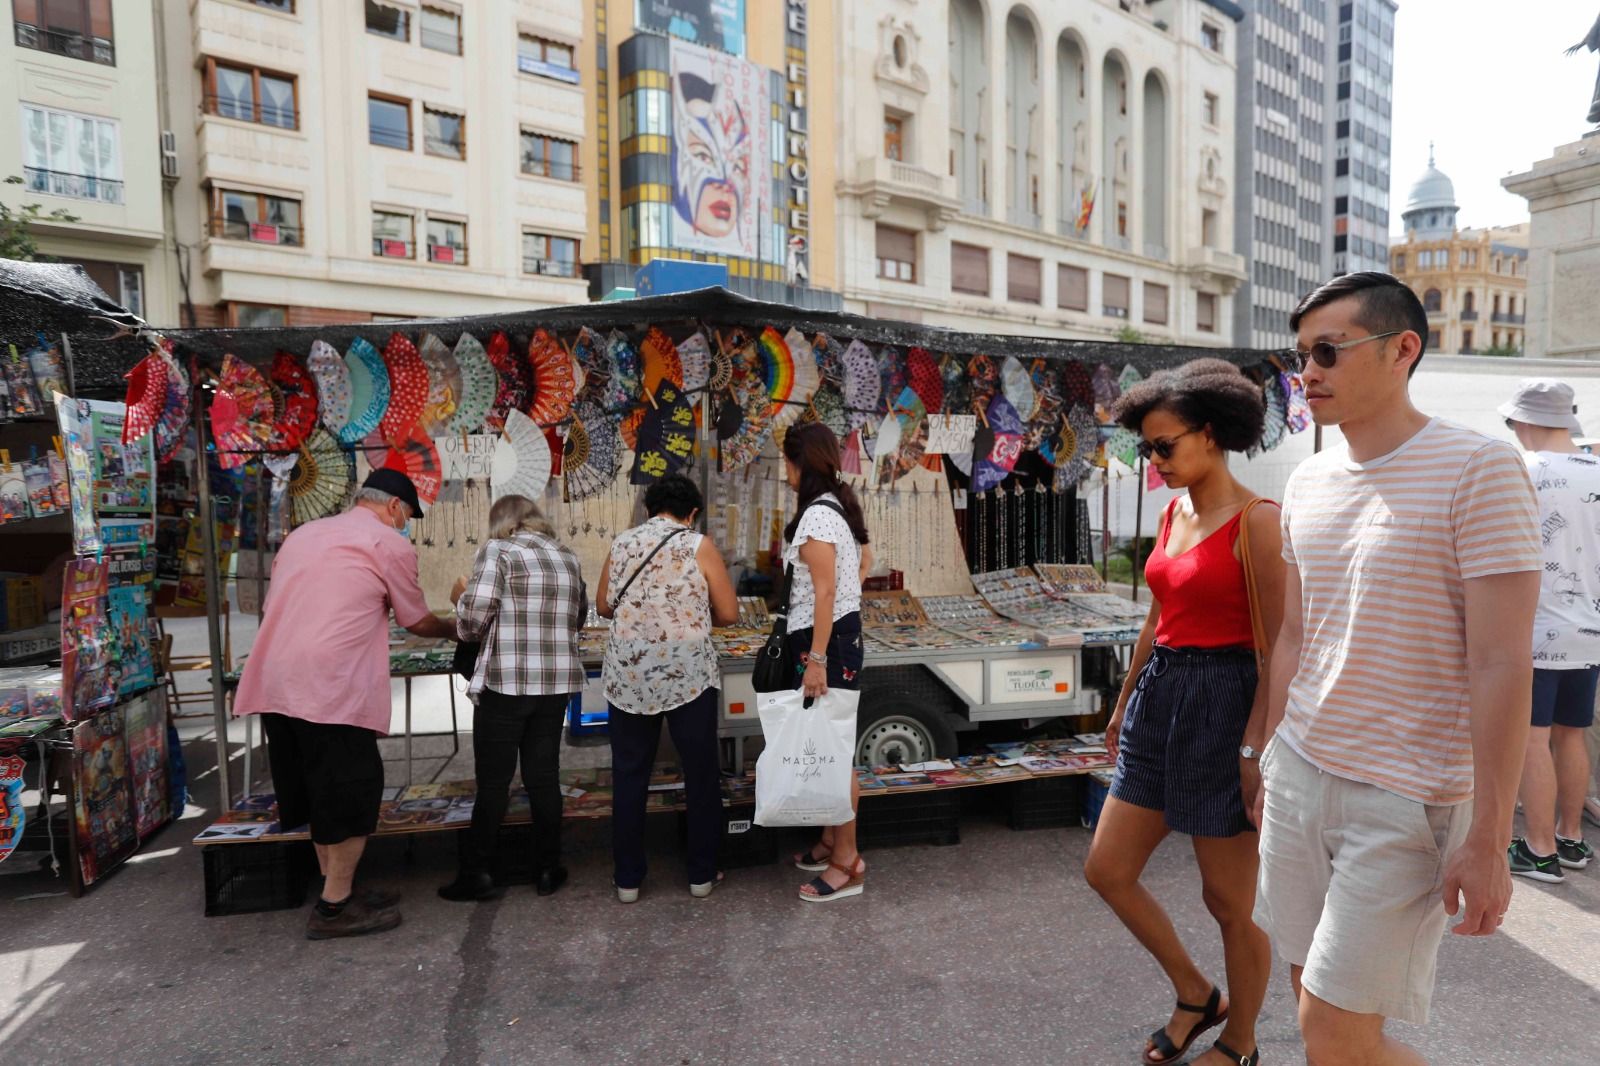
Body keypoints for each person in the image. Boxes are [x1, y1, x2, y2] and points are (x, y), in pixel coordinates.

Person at [1256, 272, 1541, 1065]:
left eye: (1328, 351)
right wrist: (1267, 754)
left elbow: (1501, 661)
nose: (1307, 372)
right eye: (1300, 355)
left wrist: (1490, 835)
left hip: (1405, 796)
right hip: (1301, 772)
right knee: (1309, 1001)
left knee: (1336, 1034)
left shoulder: (1480, 467)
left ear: (1401, 349)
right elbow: (1293, 635)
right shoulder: (1307, 478)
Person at [1084, 360, 1280, 1066]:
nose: (1153, 460)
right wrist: (1126, 696)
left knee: (1229, 902)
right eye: (1146, 447)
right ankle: (1196, 993)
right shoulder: (1176, 510)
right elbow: (1160, 614)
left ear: (1211, 435)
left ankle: (1242, 1040)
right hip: (1162, 696)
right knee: (1107, 869)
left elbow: (1276, 650)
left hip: (1225, 705)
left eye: (1163, 445)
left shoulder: (1258, 522)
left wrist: (1255, 749)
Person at [235, 468, 456, 939]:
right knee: (354, 792)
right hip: (328, 684)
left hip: (276, 678)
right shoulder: (388, 543)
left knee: (317, 792)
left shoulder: (302, 535)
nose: (405, 525)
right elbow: (415, 619)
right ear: (395, 507)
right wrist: (457, 628)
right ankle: (334, 909)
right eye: (407, 516)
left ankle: (337, 889)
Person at [597, 474, 739, 903]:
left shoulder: (622, 543)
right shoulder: (699, 545)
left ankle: (628, 880)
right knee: (699, 775)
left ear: (648, 509)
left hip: (629, 678)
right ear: (691, 512)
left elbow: (604, 605)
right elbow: (729, 612)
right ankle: (700, 875)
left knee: (629, 775)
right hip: (688, 676)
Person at [439, 494, 587, 901]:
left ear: (500, 521)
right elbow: (578, 615)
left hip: (506, 682)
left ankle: (478, 873)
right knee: (544, 778)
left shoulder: (498, 550)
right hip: (555, 683)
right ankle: (547, 869)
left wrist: (459, 599)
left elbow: (474, 618)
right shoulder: (567, 556)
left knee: (493, 782)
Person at [1499, 378, 1600, 882]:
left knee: (1531, 740)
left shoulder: (1521, 471)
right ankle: (1571, 840)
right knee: (1572, 735)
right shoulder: (1598, 470)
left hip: (1535, 630)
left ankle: (1538, 851)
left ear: (1526, 419)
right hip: (1590, 629)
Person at [779, 423, 873, 903]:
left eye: (786, 462)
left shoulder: (818, 516)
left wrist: (816, 658)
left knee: (833, 753)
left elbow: (825, 591)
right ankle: (833, 841)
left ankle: (847, 862)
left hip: (827, 644)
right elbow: (860, 567)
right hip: (835, 639)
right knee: (827, 744)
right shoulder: (838, 507)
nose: (784, 472)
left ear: (799, 462)